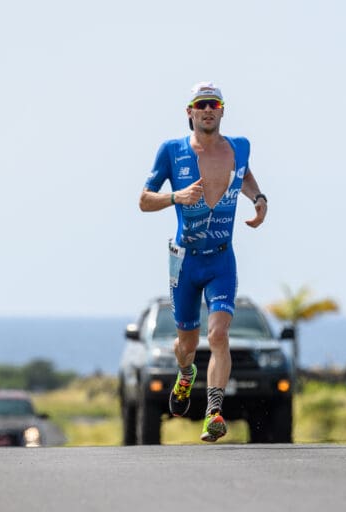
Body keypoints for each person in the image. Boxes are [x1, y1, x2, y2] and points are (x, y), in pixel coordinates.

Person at [139, 81, 268, 442]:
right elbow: (143, 200)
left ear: (222, 110)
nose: (208, 109)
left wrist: (258, 198)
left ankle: (214, 412)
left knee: (219, 334)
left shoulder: (239, 147)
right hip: (186, 263)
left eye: (214, 104)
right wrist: (175, 197)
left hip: (221, 260)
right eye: (201, 104)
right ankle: (185, 374)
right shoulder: (171, 151)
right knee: (187, 344)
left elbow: (244, 175)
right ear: (190, 112)